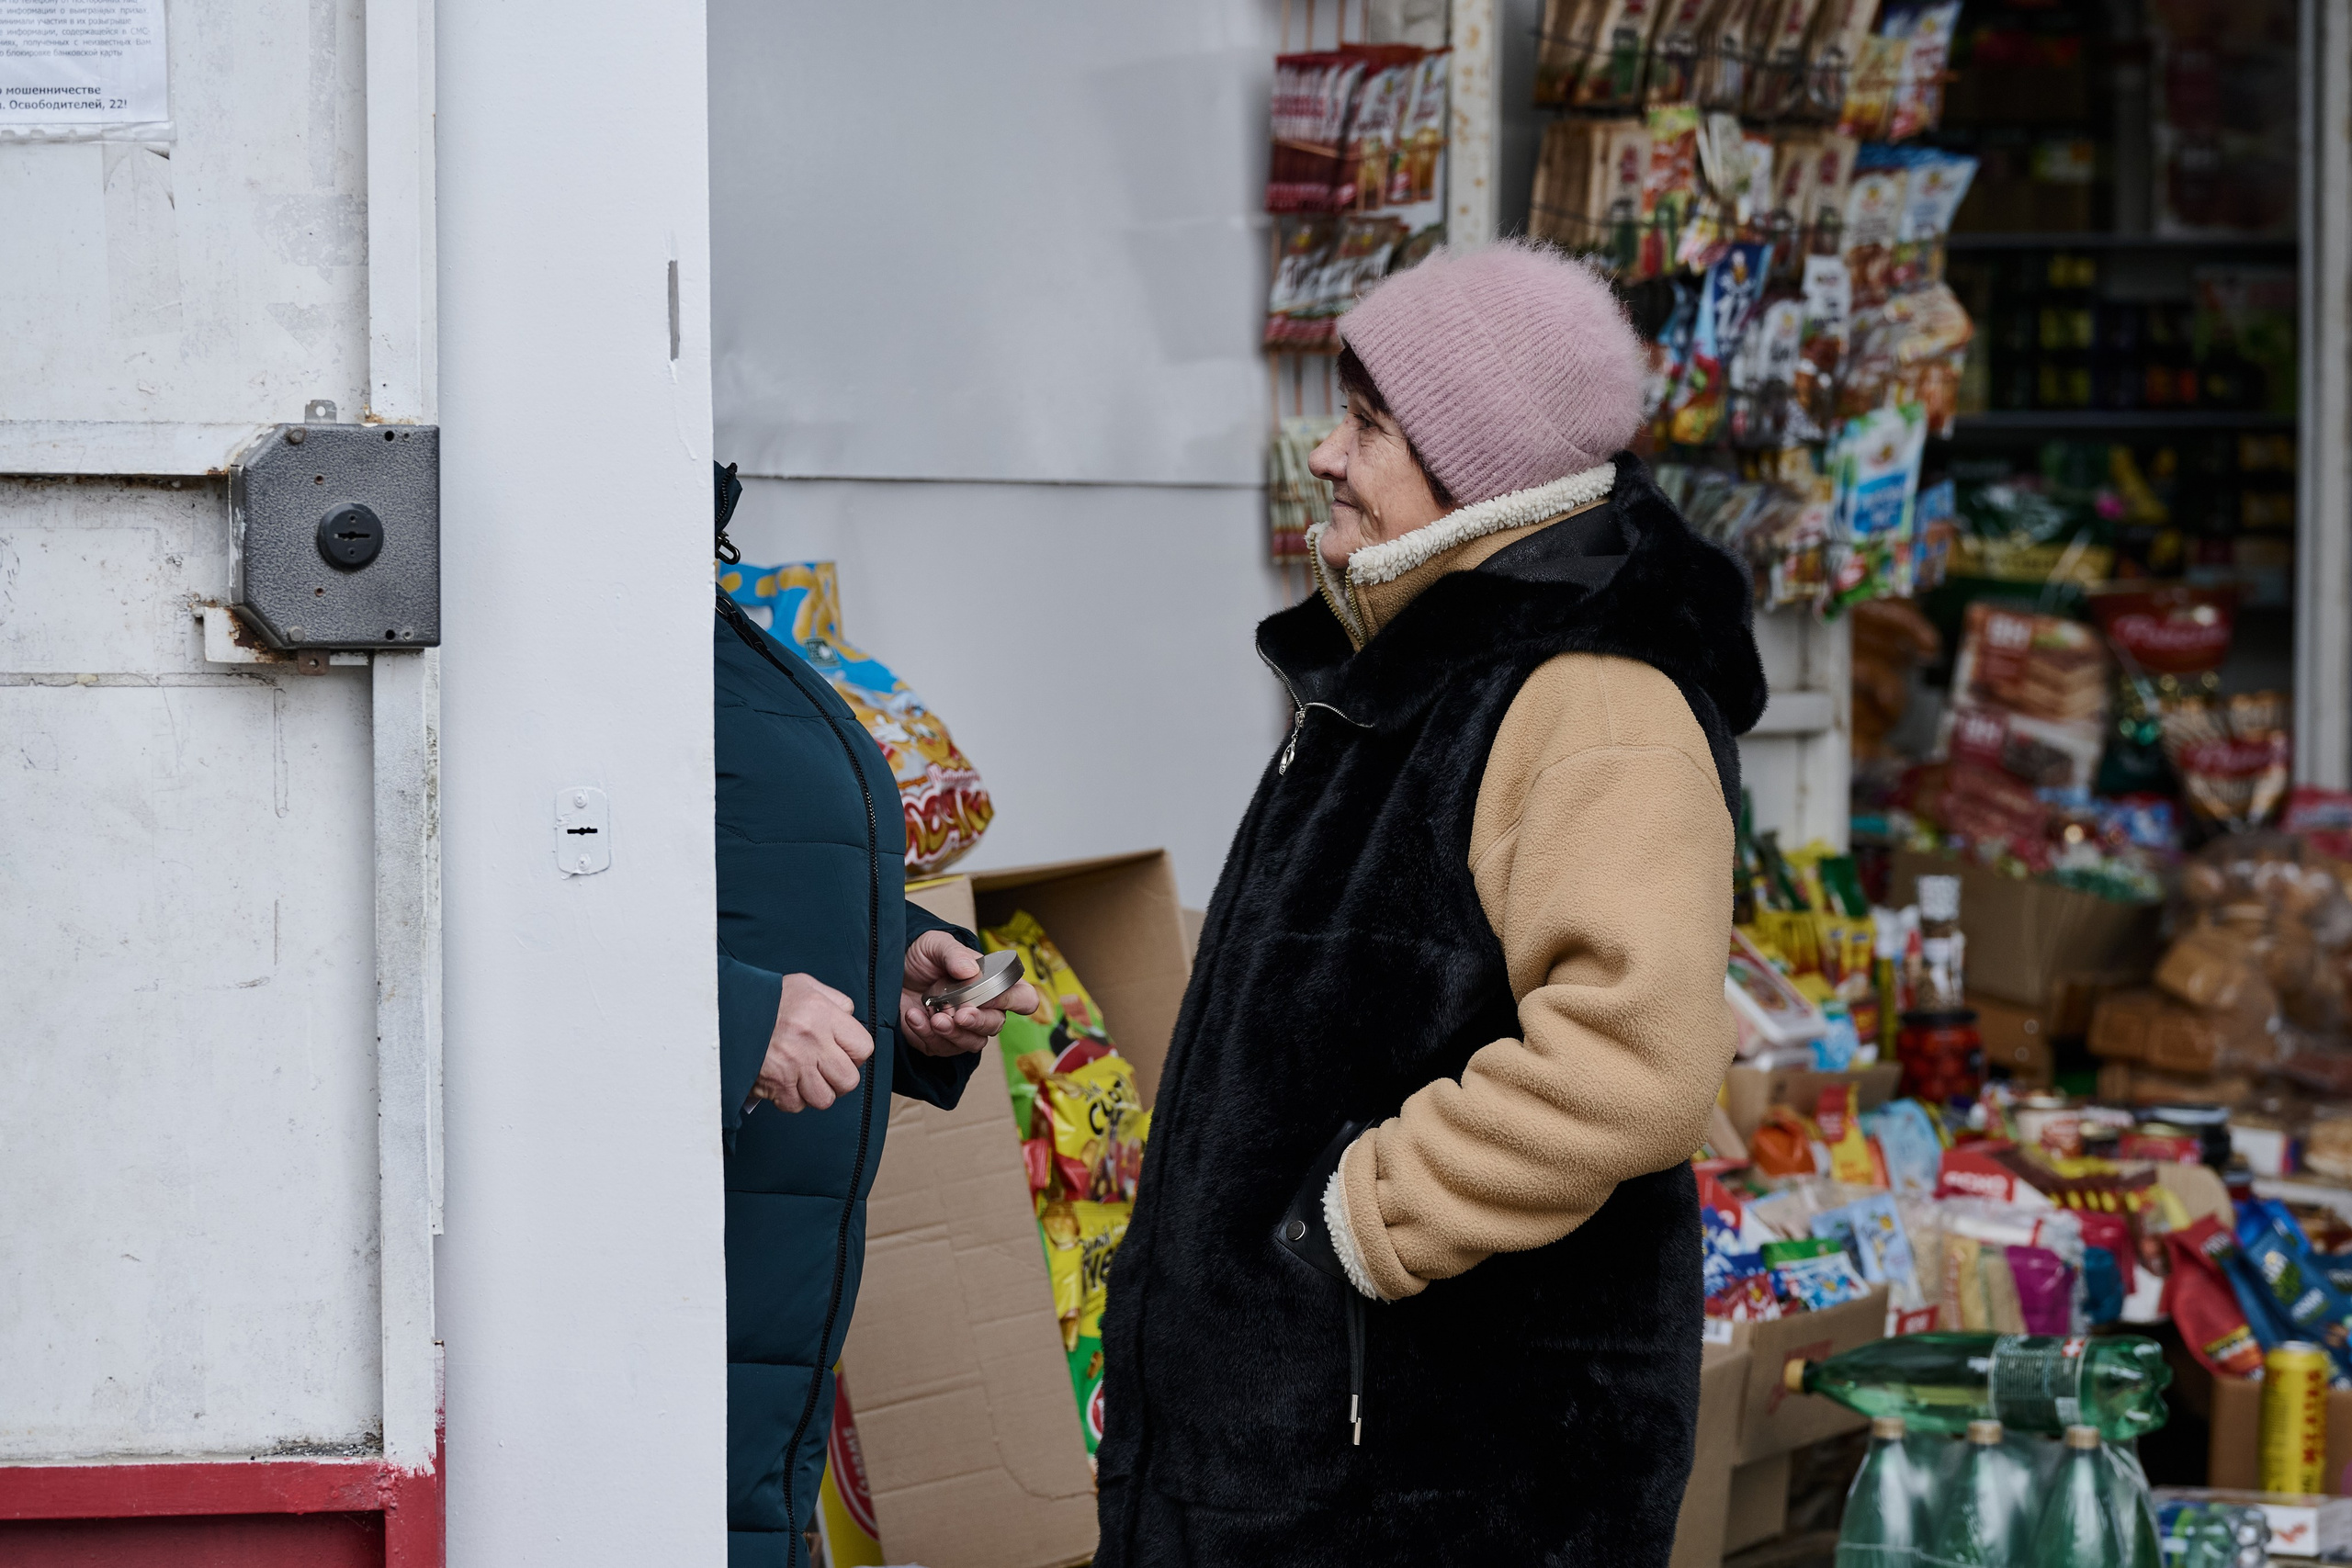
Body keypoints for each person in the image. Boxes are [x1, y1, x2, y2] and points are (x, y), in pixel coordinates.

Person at [1092, 243, 1767, 1565]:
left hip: (1449, 1477)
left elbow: (1638, 1057)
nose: (1326, 455)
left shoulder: (1591, 700)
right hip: (1313, 1462)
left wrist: (1360, 1216)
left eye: (1367, 425)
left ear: (1479, 468)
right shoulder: (1397, 676)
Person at [711, 463, 1037, 1567]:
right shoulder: (565, 585)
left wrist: (885, 965)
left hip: (756, 1298)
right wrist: (730, 1017)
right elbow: (477, 903)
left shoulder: (673, 586)